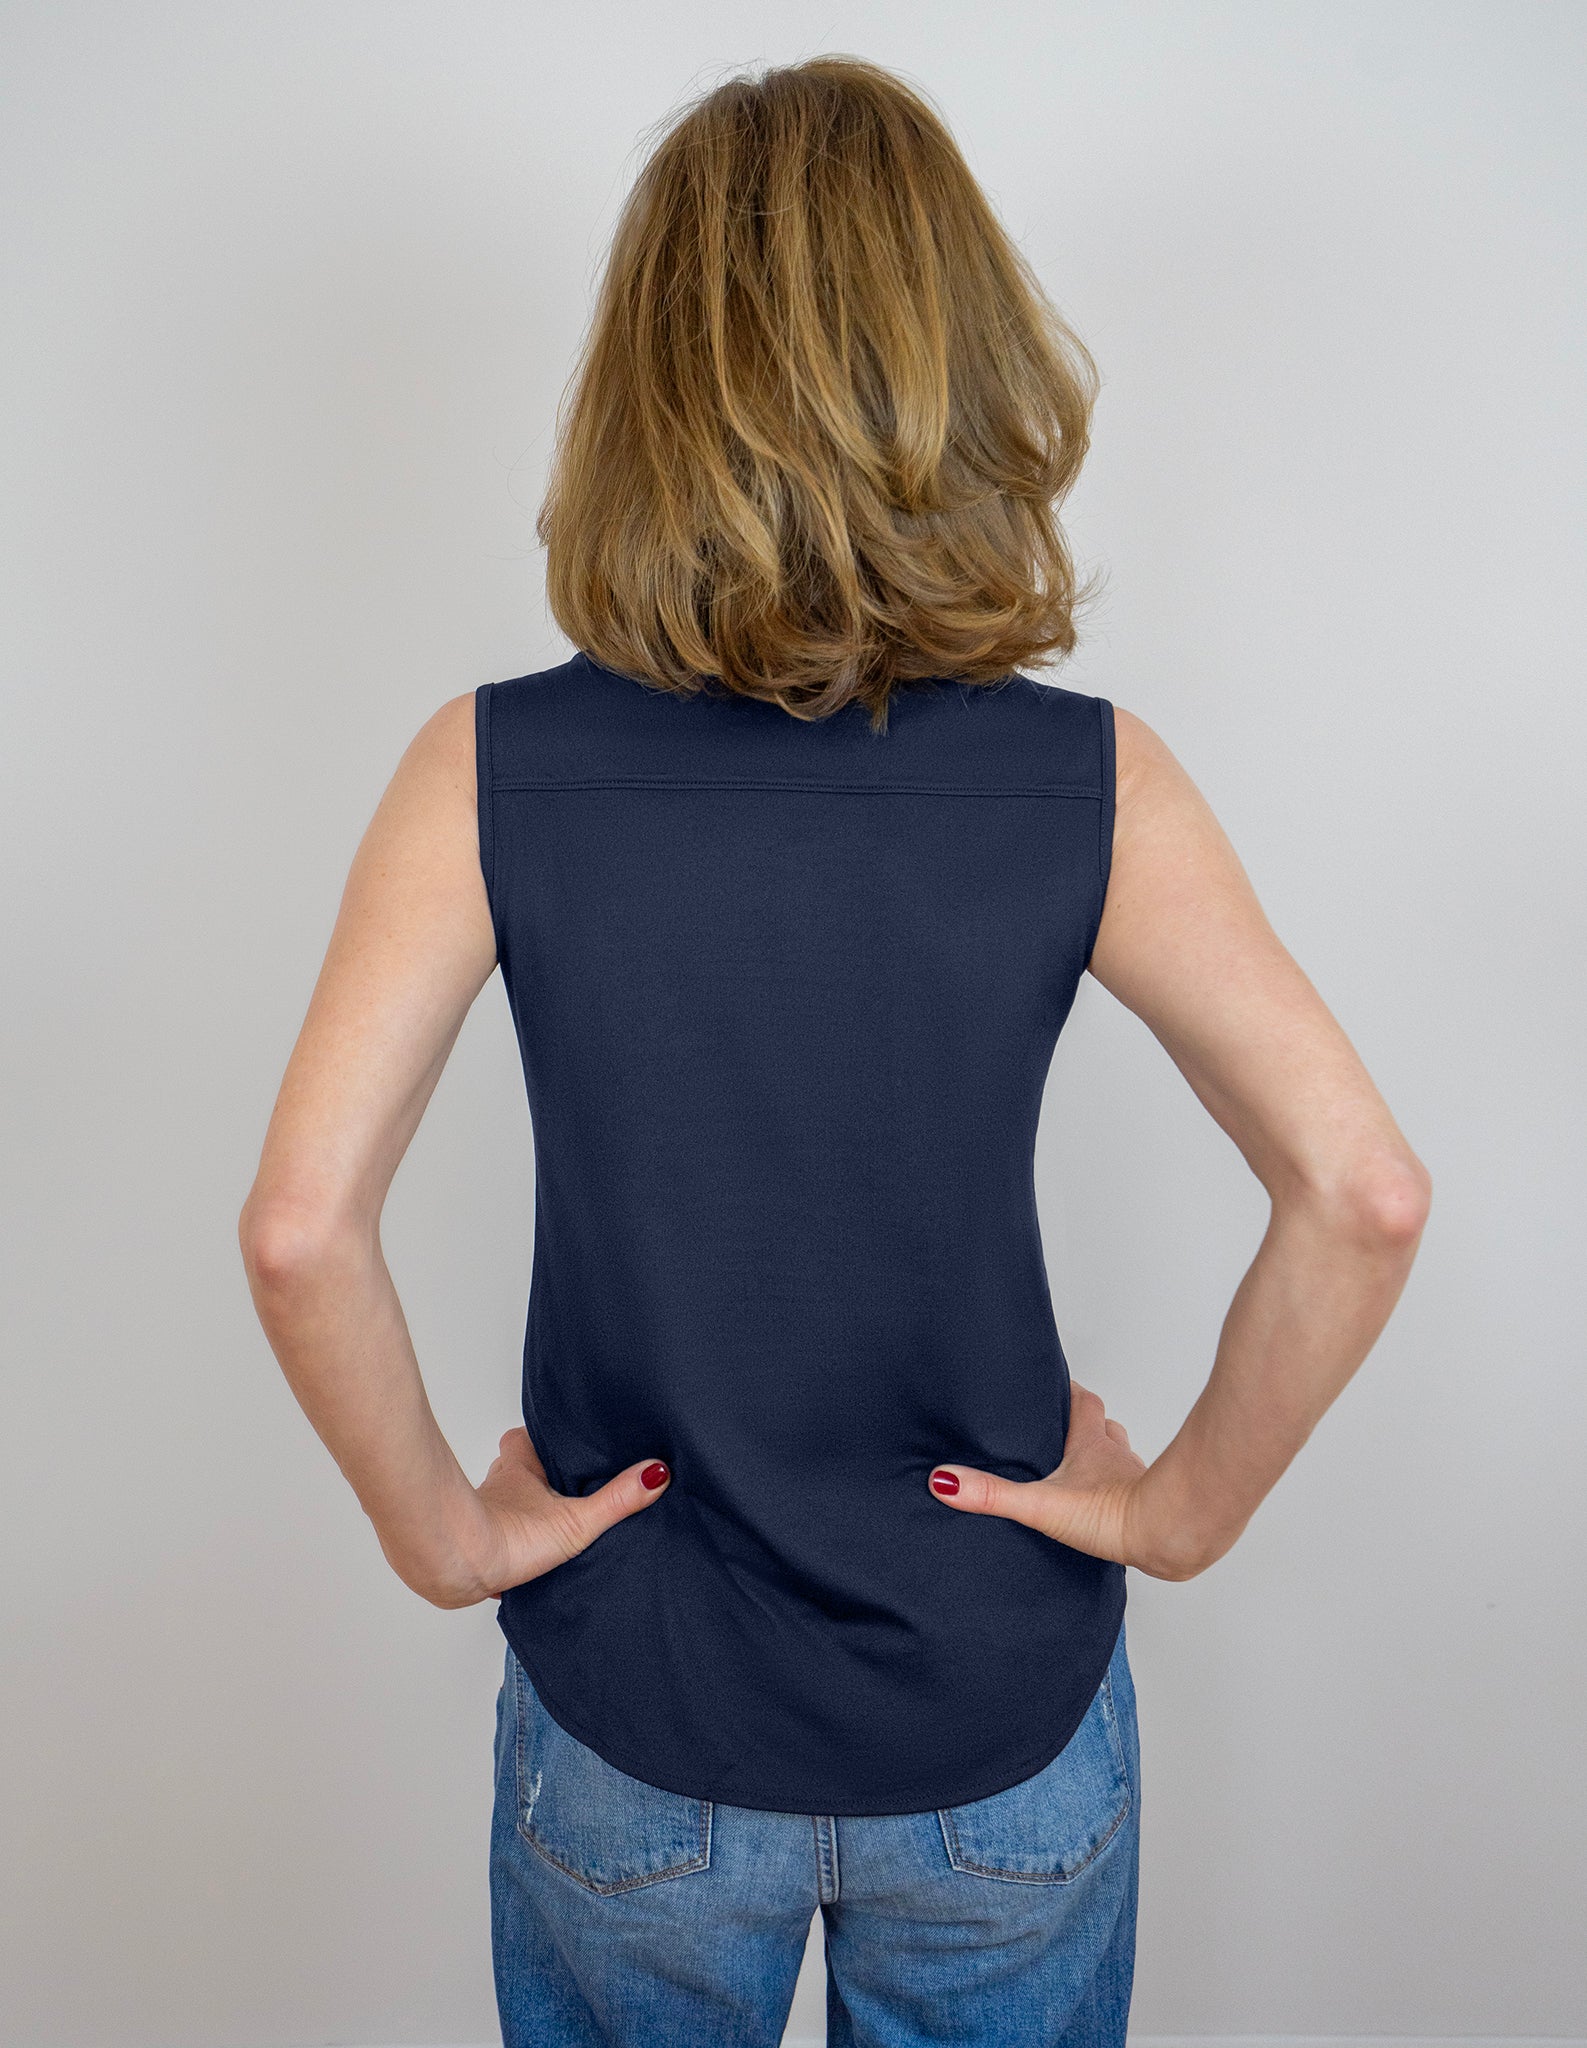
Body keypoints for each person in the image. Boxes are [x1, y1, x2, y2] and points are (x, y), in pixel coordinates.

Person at [238, 53, 1431, 2048]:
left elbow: (298, 1231)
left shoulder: (489, 767)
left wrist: (442, 1533)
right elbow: (1362, 1193)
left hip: (634, 1718)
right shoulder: (1091, 781)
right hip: (995, 1721)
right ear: (962, 366)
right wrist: (1176, 1514)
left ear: (643, 386)